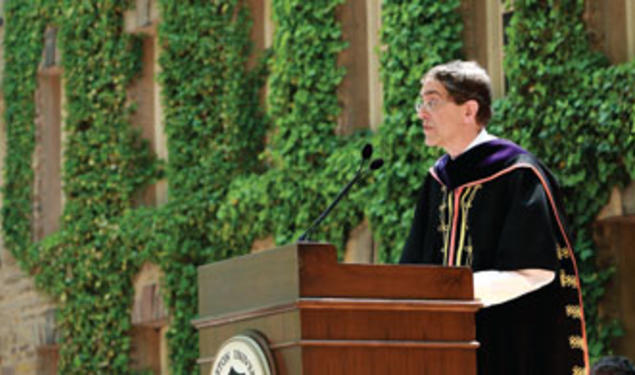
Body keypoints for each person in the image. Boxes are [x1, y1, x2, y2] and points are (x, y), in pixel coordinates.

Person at [400, 60, 589, 374]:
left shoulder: (518, 173)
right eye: (421, 102)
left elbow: (536, 271)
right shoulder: (437, 181)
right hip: (442, 350)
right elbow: (411, 273)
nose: (421, 112)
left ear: (469, 110)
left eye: (432, 101)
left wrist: (454, 291)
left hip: (507, 345)